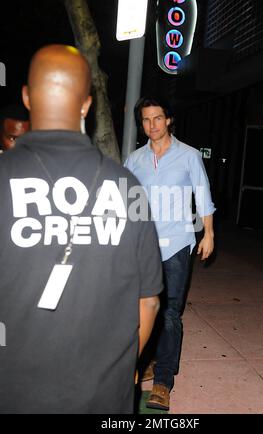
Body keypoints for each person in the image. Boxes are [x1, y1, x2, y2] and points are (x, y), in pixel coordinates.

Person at [0, 45, 162, 414]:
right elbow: (149, 299)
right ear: (86, 104)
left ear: (27, 97)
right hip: (103, 395)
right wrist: (125, 365)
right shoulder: (128, 187)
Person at [125, 96, 216, 411]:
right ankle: (146, 362)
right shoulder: (134, 160)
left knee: (170, 313)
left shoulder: (189, 156)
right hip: (142, 245)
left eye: (158, 118)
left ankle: (163, 381)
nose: (152, 125)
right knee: (140, 309)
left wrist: (209, 233)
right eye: (146, 120)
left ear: (169, 120)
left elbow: (202, 193)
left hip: (177, 243)